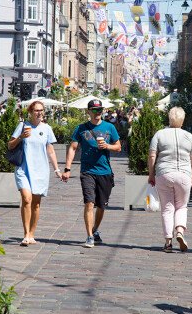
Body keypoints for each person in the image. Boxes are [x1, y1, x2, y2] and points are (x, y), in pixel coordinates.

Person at [62, 99, 121, 248]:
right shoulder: (81, 128)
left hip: (105, 171)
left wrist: (107, 146)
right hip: (87, 171)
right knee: (89, 203)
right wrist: (67, 169)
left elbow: (118, 147)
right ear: (88, 112)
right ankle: (89, 236)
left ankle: (95, 230)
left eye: (100, 110)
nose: (97, 113)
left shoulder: (110, 127)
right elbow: (73, 148)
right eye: (94, 110)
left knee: (101, 206)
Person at [8, 101, 62, 246]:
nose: (39, 113)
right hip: (23, 169)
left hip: (40, 170)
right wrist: (21, 137)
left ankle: (32, 234)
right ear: (30, 112)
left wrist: (57, 170)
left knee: (36, 204)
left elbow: (50, 151)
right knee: (26, 199)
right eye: (36, 110)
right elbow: (10, 145)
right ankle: (26, 234)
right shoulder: (22, 126)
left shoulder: (47, 128)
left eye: (42, 110)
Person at [148, 107, 192, 252]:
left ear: (169, 118)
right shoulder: (189, 136)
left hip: (164, 174)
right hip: (184, 174)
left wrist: (151, 175)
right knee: (181, 206)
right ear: (182, 120)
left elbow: (152, 156)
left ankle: (168, 242)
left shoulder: (159, 134)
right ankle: (180, 231)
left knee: (167, 208)